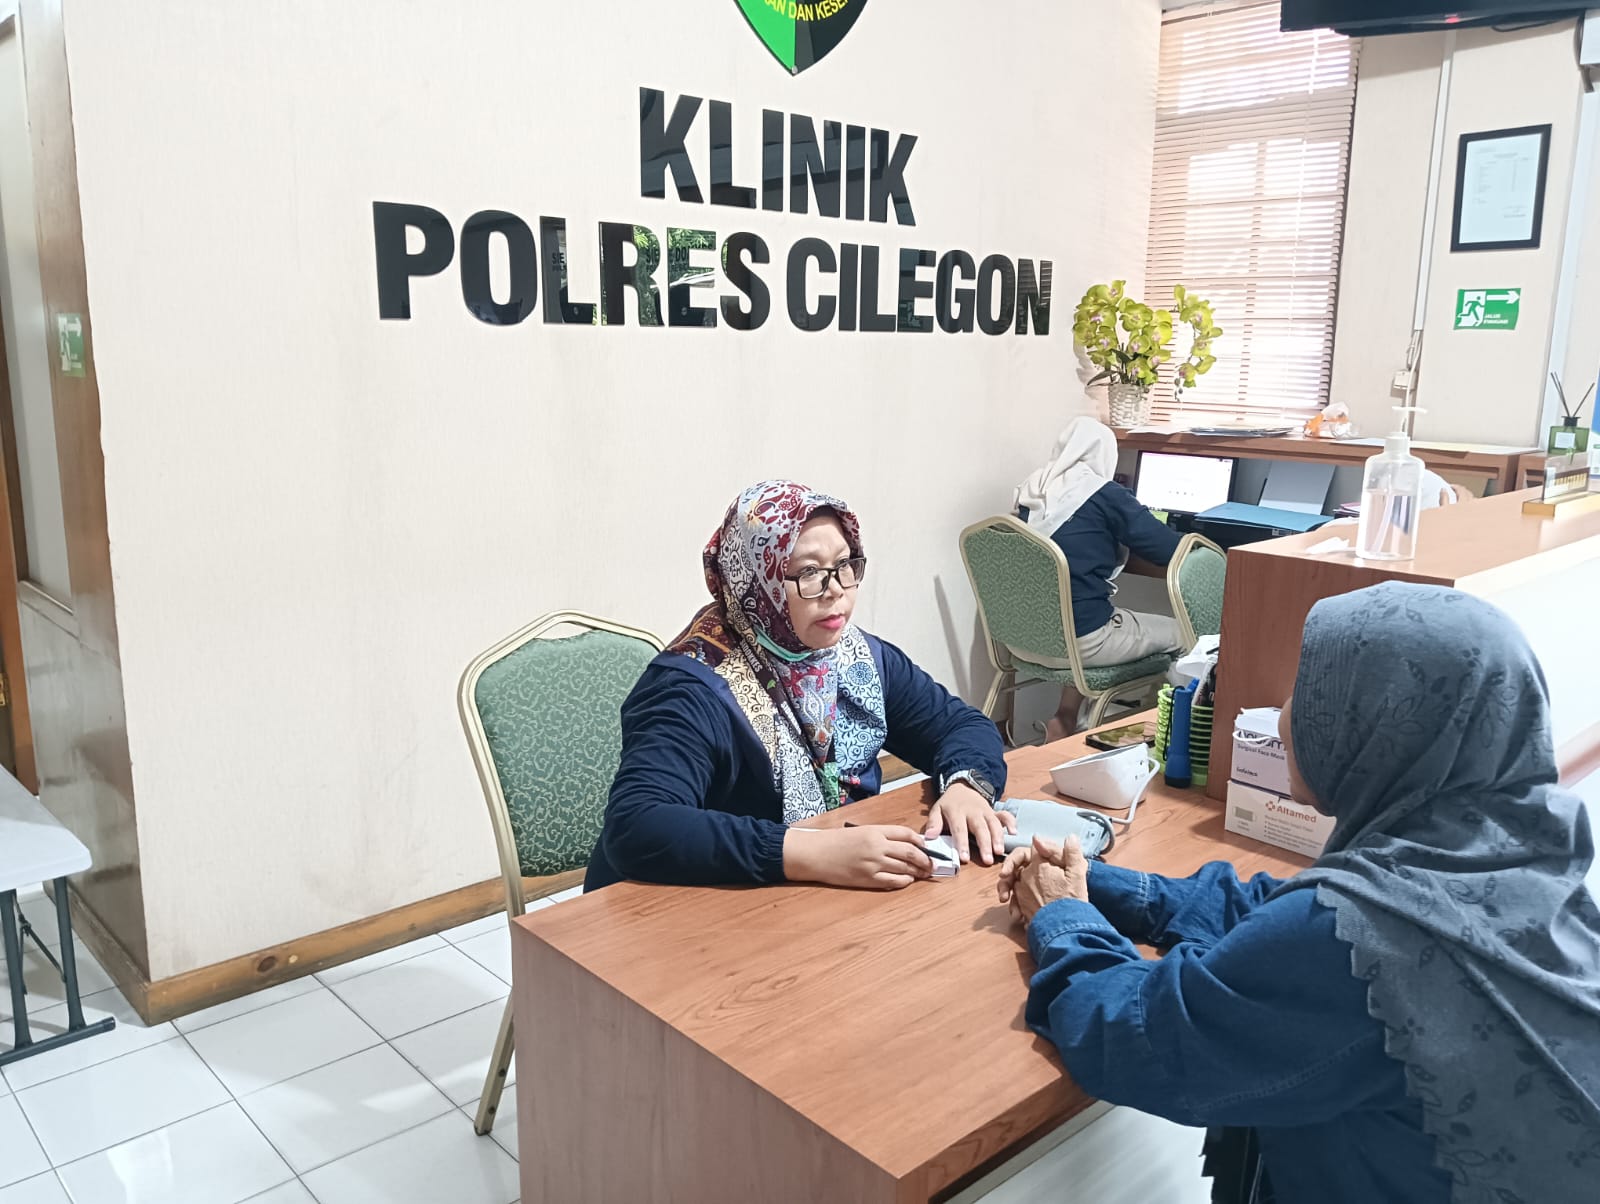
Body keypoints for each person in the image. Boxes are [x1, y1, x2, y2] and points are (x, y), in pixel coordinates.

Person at [997, 582, 1600, 1204]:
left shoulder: (1371, 935)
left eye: (1311, 688)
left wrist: (1062, 916)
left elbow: (1138, 1038)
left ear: (1382, 722)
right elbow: (1280, 912)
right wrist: (1105, 885)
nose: (1285, 715)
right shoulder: (1509, 854)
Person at [585, 480, 1014, 892]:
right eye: (809, 572)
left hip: (808, 896)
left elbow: (960, 725)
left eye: (845, 565)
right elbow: (639, 825)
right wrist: (812, 852)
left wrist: (966, 787)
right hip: (681, 904)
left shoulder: (852, 655)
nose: (836, 591)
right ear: (757, 581)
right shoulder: (693, 686)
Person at [1014, 417, 1185, 739]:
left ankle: (1064, 717)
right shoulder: (1103, 493)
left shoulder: (1032, 492)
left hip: (1023, 639)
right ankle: (1162, 735)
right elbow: (1170, 550)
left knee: (1079, 613)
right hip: (1083, 642)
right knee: (1185, 634)